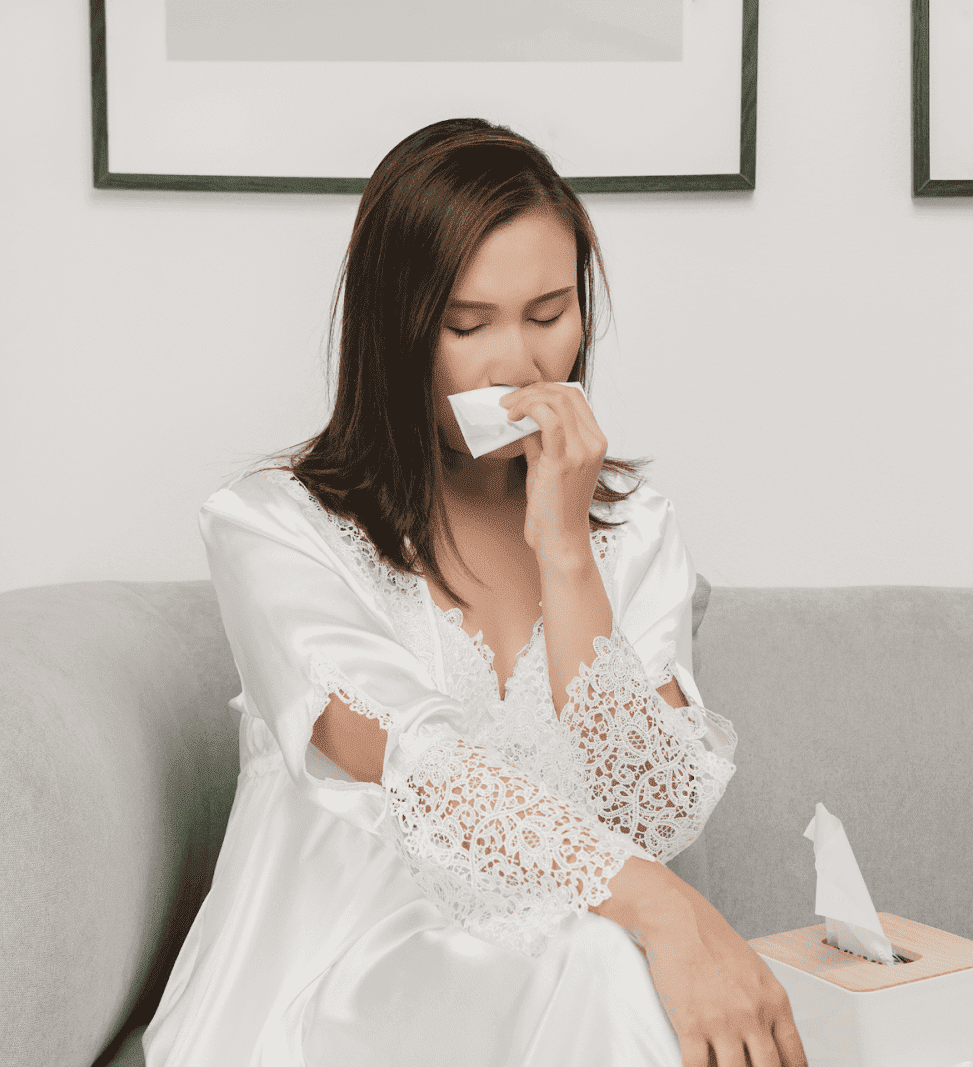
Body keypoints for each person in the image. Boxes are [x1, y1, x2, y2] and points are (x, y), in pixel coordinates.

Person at [142, 118, 806, 1067]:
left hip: (565, 969)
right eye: (467, 325)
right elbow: (421, 767)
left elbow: (646, 814)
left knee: (597, 956)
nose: (520, 366)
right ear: (400, 329)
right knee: (603, 954)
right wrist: (665, 907)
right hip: (337, 980)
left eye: (549, 316)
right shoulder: (273, 529)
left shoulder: (633, 530)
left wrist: (565, 549)